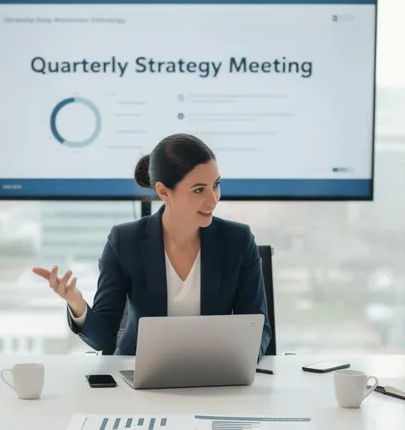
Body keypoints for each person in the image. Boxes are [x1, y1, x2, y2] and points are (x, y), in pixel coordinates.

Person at [33, 133, 271, 356]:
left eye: (216, 185)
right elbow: (104, 338)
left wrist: (237, 364)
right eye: (199, 190)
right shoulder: (125, 241)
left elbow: (259, 330)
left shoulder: (238, 240)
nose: (213, 199)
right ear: (163, 191)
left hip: (215, 376)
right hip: (139, 377)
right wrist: (77, 304)